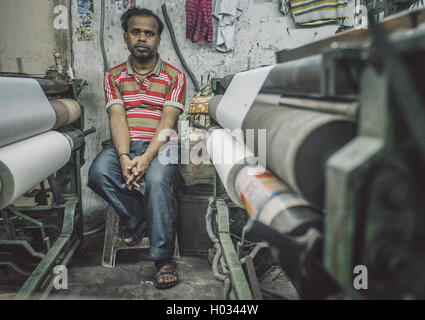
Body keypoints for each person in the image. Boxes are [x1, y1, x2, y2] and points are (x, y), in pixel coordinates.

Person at [88, 8, 186, 290]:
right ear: (125, 37)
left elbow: (168, 122)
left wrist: (144, 158)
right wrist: (122, 157)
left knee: (156, 181)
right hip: (124, 145)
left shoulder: (174, 77)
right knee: (97, 173)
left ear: (157, 39)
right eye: (136, 32)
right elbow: (117, 118)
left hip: (162, 145)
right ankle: (139, 217)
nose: (142, 37)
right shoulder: (113, 76)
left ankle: (163, 258)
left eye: (149, 33)